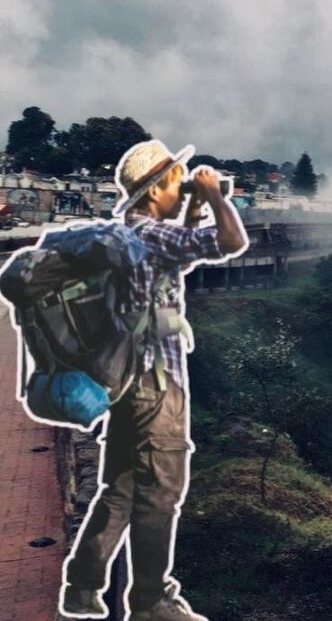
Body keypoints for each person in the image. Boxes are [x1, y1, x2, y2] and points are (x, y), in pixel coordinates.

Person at [59, 139, 248, 620]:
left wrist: (192, 208)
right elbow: (232, 242)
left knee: (121, 487)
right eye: (176, 180)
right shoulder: (154, 235)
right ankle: (149, 601)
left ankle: (82, 587)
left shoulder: (127, 233)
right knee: (161, 494)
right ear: (156, 188)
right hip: (156, 386)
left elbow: (178, 259)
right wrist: (214, 194)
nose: (182, 185)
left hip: (122, 381)